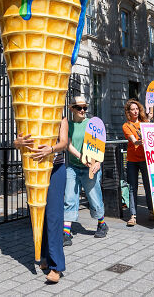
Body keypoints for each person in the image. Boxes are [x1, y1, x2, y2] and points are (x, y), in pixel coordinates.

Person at [14, 128, 68, 284]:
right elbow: (17, 142)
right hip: (35, 168)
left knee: (54, 216)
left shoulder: (61, 115)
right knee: (41, 215)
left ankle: (57, 266)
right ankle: (44, 256)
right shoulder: (28, 107)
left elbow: (64, 143)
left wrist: (50, 149)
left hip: (55, 169)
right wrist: (17, 143)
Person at [62, 96, 108, 246]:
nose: (82, 110)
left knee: (94, 197)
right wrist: (81, 156)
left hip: (90, 167)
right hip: (73, 167)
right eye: (79, 108)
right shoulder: (67, 125)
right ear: (72, 109)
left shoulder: (92, 124)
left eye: (84, 108)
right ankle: (66, 233)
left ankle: (102, 224)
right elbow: (67, 145)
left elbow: (99, 146)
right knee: (69, 197)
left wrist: (98, 162)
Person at [122, 98, 153, 226]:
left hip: (145, 159)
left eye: (136, 109)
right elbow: (133, 140)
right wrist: (138, 142)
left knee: (148, 186)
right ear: (128, 112)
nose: (135, 111)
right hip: (132, 160)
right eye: (132, 109)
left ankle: (151, 211)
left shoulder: (145, 123)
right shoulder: (126, 125)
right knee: (132, 188)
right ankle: (133, 216)